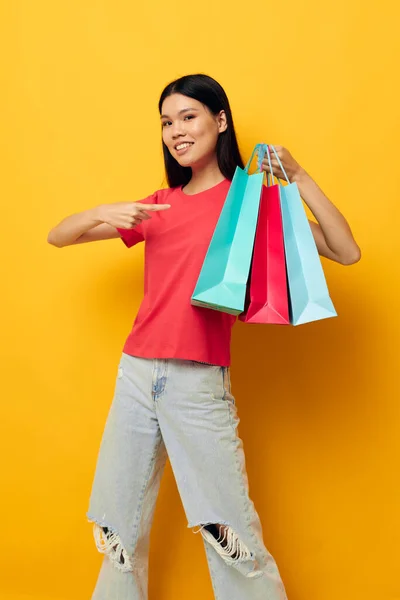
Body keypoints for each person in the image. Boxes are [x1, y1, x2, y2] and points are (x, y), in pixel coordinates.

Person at [47, 73, 361, 600]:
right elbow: (59, 236)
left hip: (197, 384)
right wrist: (101, 211)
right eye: (167, 122)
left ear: (220, 121)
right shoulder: (158, 205)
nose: (176, 131)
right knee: (117, 529)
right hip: (135, 376)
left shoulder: (248, 205)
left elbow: (345, 250)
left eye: (187, 117)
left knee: (228, 532)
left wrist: (299, 176)